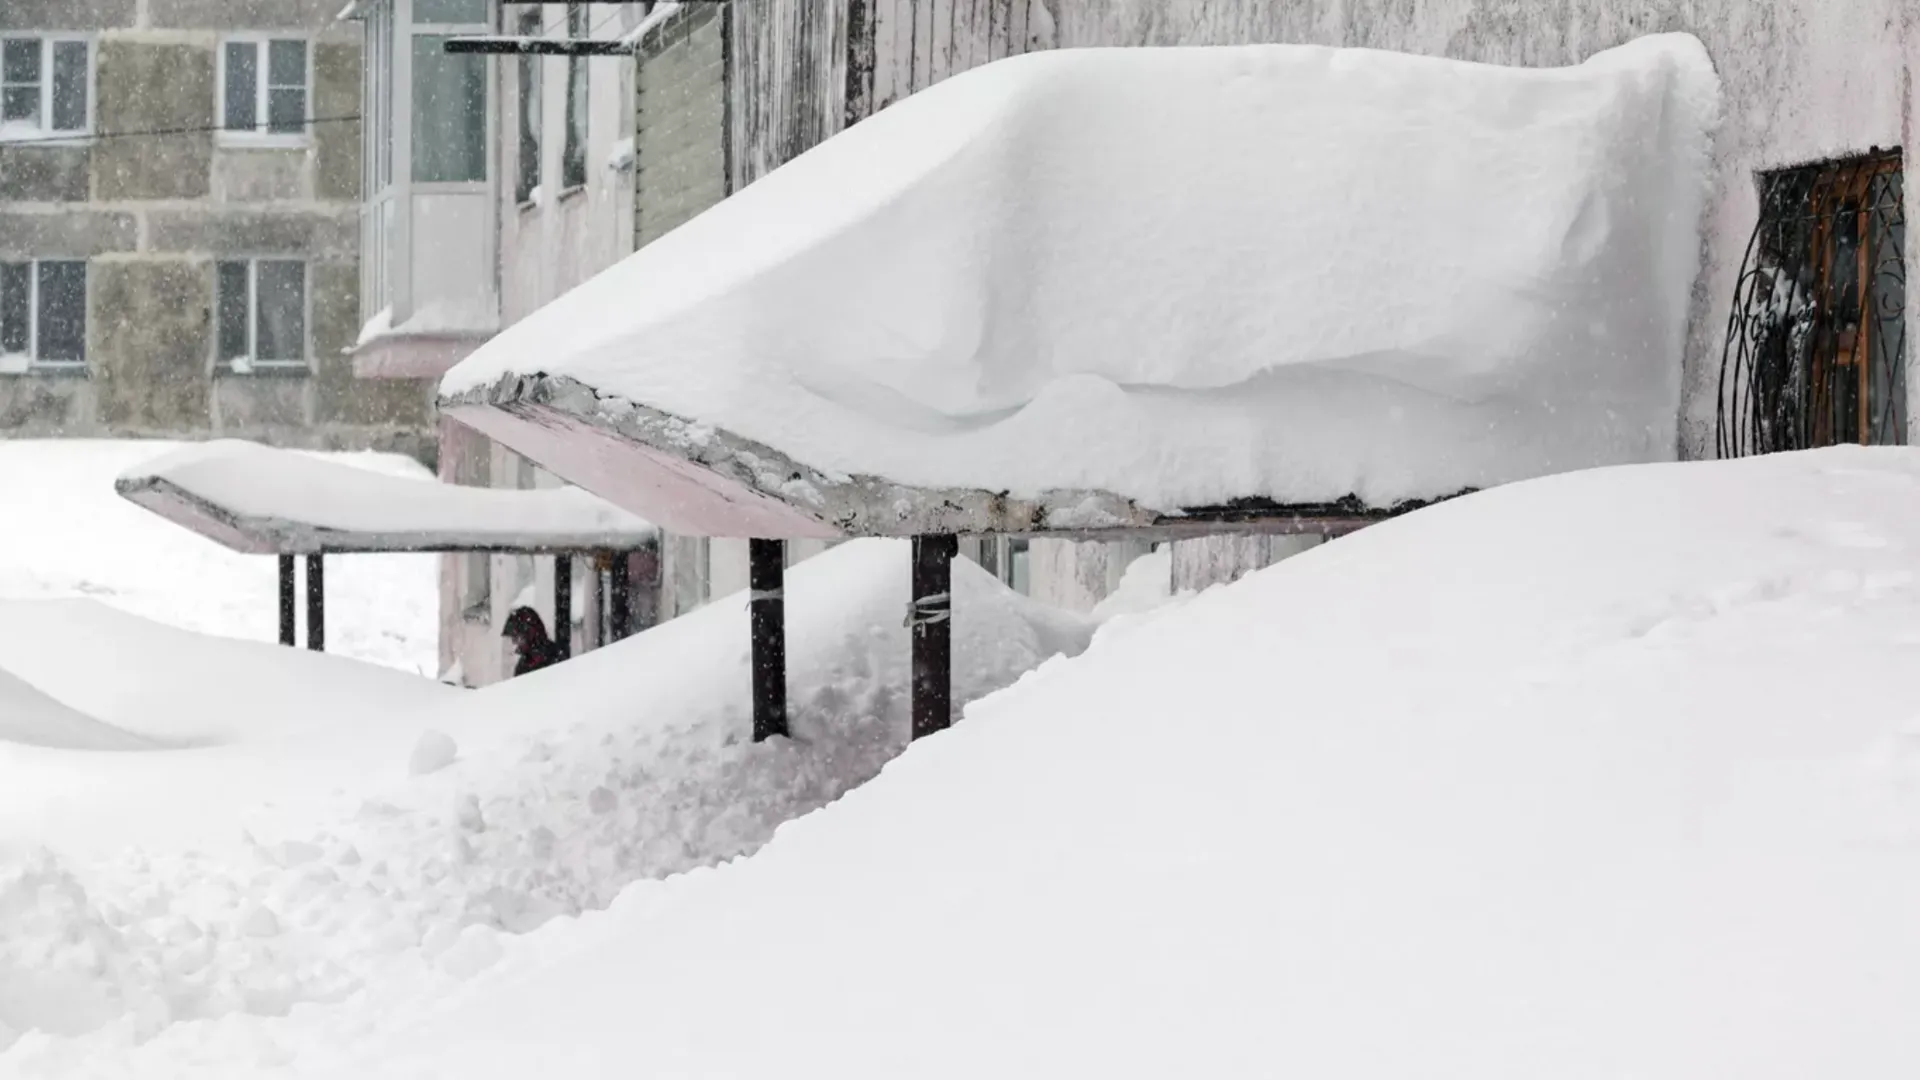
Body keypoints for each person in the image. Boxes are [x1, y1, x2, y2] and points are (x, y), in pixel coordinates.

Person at [501, 605, 566, 676]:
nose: (515, 643)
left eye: (517, 638)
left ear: (529, 634)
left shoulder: (555, 658)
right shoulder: (523, 665)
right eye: (514, 638)